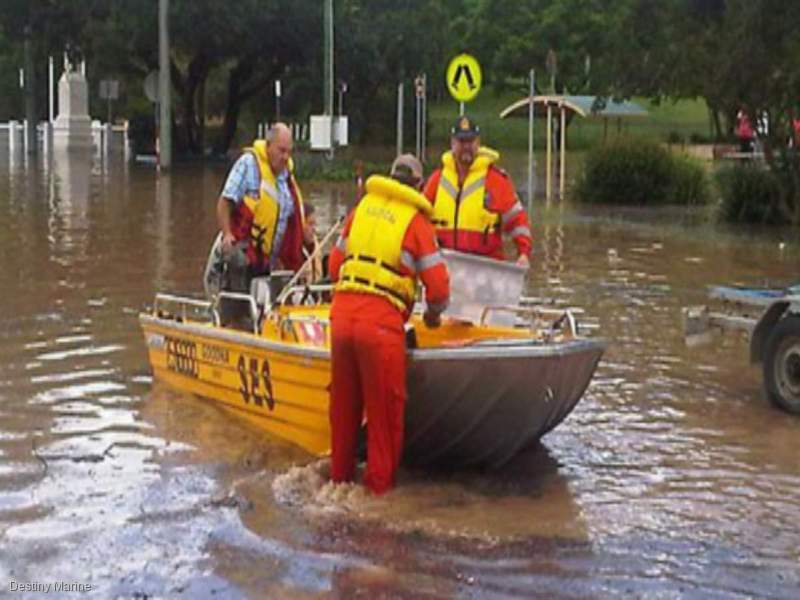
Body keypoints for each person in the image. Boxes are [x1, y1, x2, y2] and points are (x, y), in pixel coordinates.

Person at [328, 154, 450, 495]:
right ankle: (378, 510)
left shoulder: (361, 210)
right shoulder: (416, 221)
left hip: (340, 321)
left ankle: (338, 486)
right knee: (384, 422)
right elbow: (439, 289)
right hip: (380, 328)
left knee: (343, 415)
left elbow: (334, 266)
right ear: (419, 185)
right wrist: (432, 315)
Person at [204, 122, 306, 302]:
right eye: (281, 150)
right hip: (242, 253)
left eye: (289, 152)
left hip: (268, 261)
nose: (285, 157)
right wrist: (227, 234)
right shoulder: (249, 164)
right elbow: (225, 201)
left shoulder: (286, 176)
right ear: (268, 146)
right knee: (239, 304)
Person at [422, 115, 532, 266]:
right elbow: (418, 220)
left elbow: (518, 221)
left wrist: (523, 254)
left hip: (486, 273)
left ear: (478, 143)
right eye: (461, 142)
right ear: (452, 143)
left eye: (470, 141)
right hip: (446, 270)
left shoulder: (496, 180)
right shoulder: (436, 180)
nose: (466, 146)